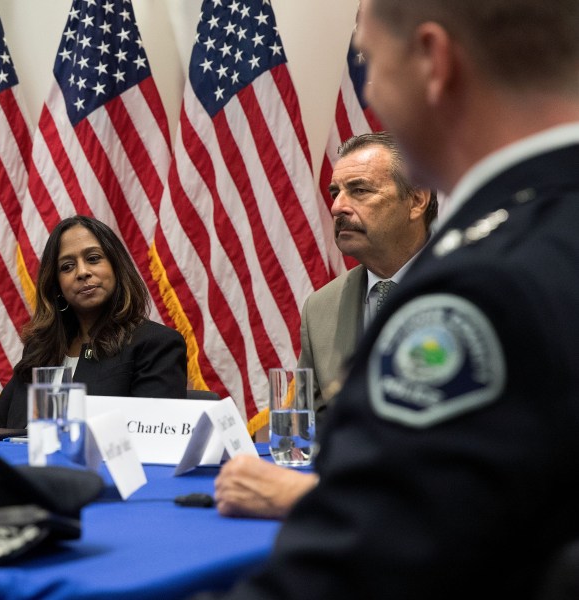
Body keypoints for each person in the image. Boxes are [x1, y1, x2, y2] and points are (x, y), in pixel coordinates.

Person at [200, 0, 579, 598]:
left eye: (369, 62)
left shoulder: (479, 292)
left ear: (433, 60)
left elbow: (362, 567)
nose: (369, 88)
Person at [215, 131, 436, 519]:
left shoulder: (469, 283)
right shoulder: (322, 307)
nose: (337, 207)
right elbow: (308, 428)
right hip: (346, 509)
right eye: (336, 192)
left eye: (360, 190)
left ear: (417, 199)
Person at [0, 215, 187, 429]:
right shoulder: (40, 350)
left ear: (116, 267)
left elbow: (153, 440)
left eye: (93, 258)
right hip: (21, 462)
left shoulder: (155, 344)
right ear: (56, 286)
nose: (82, 272)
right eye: (67, 266)